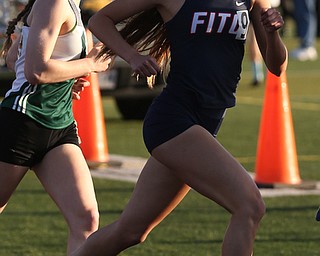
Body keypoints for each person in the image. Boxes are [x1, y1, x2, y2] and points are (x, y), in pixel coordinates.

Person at [73, 0, 288, 255]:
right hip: (173, 121)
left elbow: (277, 66)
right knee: (250, 205)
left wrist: (273, 33)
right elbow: (99, 20)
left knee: (130, 231)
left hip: (204, 124)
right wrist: (132, 56)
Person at [0, 0, 110, 255]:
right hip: (22, 123)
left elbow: (13, 58)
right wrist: (89, 65)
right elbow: (36, 71)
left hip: (60, 127)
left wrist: (64, 81)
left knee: (86, 219)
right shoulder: (54, 2)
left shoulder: (71, 4)